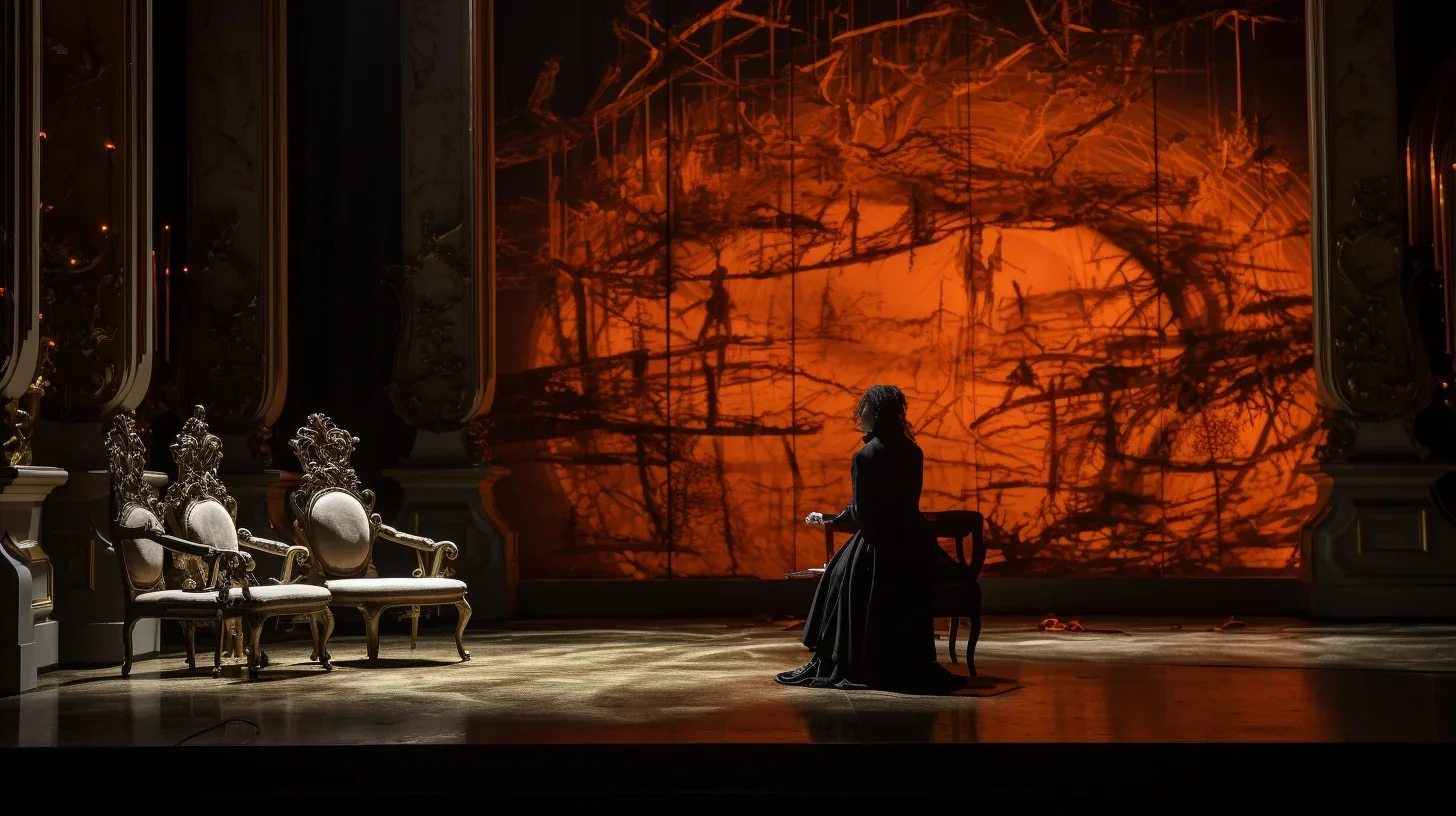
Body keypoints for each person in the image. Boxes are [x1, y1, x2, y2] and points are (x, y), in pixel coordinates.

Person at [775, 385, 967, 694]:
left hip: (879, 542)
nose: (859, 416)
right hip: (912, 544)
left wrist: (834, 519)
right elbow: (906, 502)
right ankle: (903, 664)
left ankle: (841, 660)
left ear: (875, 413)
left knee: (837, 578)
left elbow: (863, 513)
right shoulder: (913, 451)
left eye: (863, 410)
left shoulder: (866, 456)